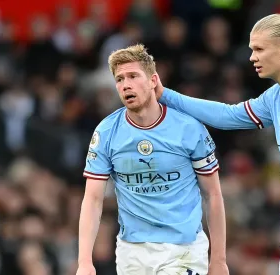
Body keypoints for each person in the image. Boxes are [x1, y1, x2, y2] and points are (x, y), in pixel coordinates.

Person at [155, 14, 280, 274]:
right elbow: (229, 115)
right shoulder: (276, 96)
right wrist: (164, 95)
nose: (252, 57)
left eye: (259, 49)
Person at [76, 44, 229, 275]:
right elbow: (93, 199)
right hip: (132, 251)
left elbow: (213, 194)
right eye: (119, 79)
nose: (125, 84)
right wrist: (84, 262)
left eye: (133, 76)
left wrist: (218, 259)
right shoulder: (106, 132)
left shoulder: (189, 128)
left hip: (184, 248)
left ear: (153, 80)